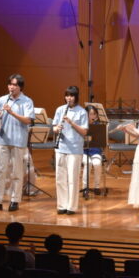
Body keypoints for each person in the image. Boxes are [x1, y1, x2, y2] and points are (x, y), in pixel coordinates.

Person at [0, 74, 35, 212]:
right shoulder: (2, 99)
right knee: (0, 171)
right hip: (3, 139)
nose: (11, 87)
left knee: (16, 172)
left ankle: (15, 201)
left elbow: (28, 120)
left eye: (14, 85)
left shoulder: (27, 101)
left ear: (20, 87)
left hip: (18, 141)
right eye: (10, 84)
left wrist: (12, 112)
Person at [53, 86, 88, 215]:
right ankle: (61, 205)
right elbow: (54, 127)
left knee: (73, 179)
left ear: (76, 97)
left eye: (72, 96)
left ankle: (71, 207)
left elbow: (84, 132)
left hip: (75, 149)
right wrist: (56, 129)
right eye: (67, 95)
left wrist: (72, 123)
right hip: (61, 147)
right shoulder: (60, 109)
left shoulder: (82, 112)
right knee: (60, 178)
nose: (69, 98)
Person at [82, 105, 103, 195]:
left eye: (94, 114)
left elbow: (102, 142)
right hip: (83, 151)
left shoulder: (98, 126)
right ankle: (85, 187)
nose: (92, 116)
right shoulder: (81, 126)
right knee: (88, 163)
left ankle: (97, 186)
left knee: (97, 163)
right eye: (90, 114)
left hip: (95, 151)